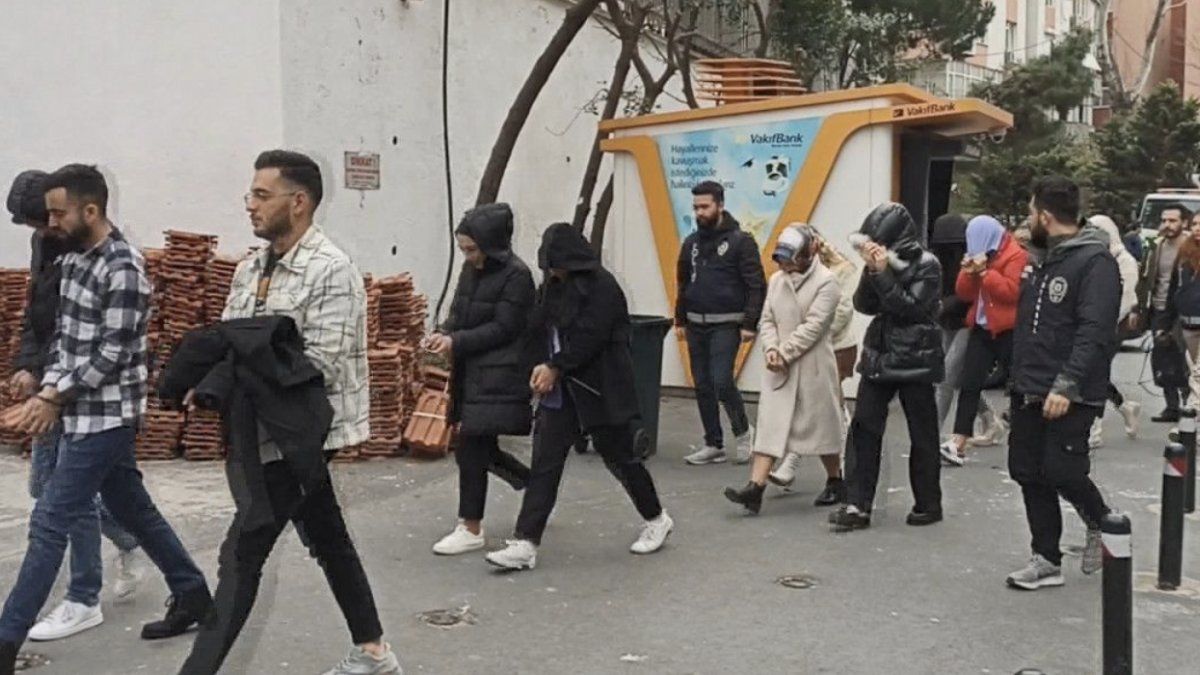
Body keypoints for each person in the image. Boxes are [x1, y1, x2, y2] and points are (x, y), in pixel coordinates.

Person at [175, 151, 399, 674]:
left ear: (298, 202)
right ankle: (373, 651)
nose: (249, 204)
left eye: (261, 194)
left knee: (241, 555)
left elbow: (320, 362)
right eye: (250, 194)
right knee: (327, 536)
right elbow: (232, 342)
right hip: (255, 430)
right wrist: (212, 380)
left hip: (301, 435)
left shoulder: (331, 270)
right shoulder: (250, 268)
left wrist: (241, 366)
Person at [0, 165, 211, 673]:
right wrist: (43, 386)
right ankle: (193, 594)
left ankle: (6, 640)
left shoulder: (124, 268)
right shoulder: (73, 260)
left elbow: (112, 353)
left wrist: (53, 398)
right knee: (133, 509)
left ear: (91, 211)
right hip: (76, 411)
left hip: (108, 416)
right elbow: (65, 341)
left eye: (58, 214)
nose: (50, 224)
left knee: (49, 520)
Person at [4, 170, 148, 643]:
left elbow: (104, 342)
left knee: (58, 502)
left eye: (46, 219)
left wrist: (52, 390)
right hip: (55, 381)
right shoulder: (49, 243)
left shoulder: (101, 252)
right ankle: (136, 547)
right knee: (65, 491)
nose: (44, 229)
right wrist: (30, 365)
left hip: (84, 394)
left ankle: (83, 596)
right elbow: (40, 314)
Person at [485, 223, 672, 570]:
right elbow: (538, 329)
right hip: (562, 393)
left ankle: (656, 518)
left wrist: (555, 366)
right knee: (545, 462)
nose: (553, 272)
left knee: (620, 458)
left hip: (599, 389)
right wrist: (533, 366)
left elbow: (591, 337)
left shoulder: (603, 288)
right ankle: (525, 543)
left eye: (557, 265)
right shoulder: (552, 287)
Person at [1006, 176, 1118, 590]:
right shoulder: (1040, 259)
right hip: (1029, 385)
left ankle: (1102, 522)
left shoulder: (1094, 262)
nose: (1027, 221)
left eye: (1030, 213)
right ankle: (1045, 558)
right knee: (1027, 471)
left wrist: (1067, 384)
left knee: (1063, 470)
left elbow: (1094, 331)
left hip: (1071, 391)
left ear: (1045, 216)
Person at [829, 203, 945, 532]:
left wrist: (882, 274)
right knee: (864, 428)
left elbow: (911, 308)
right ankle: (857, 504)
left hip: (915, 357)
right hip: (880, 354)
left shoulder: (927, 264)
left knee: (922, 433)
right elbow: (863, 304)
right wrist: (872, 273)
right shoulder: (878, 266)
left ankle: (928, 502)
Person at [428, 203, 534, 556]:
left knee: (471, 448)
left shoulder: (517, 276)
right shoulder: (470, 270)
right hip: (470, 372)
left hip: (499, 375)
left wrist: (455, 341)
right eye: (463, 249)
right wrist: (444, 333)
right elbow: (459, 312)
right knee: (481, 449)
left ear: (491, 244)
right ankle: (536, 489)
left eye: (472, 249)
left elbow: (505, 328)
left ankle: (470, 526)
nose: (468, 256)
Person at [723, 224, 845, 513]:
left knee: (821, 428)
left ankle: (835, 479)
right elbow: (767, 319)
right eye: (782, 259)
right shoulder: (777, 280)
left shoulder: (827, 282)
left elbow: (815, 325)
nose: (785, 265)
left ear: (808, 253)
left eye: (791, 259)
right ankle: (755, 487)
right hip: (779, 367)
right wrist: (771, 349)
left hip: (812, 367)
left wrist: (785, 352)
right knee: (770, 425)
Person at [676, 181, 766, 466]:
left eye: (705, 207)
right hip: (695, 323)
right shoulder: (691, 243)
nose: (699, 213)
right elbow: (682, 282)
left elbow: (756, 285)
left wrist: (750, 323)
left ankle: (743, 432)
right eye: (696, 208)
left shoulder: (741, 241)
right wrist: (680, 319)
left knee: (721, 380)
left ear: (720, 205)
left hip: (727, 323)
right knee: (702, 384)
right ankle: (713, 444)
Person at [766, 226, 858, 488]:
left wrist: (806, 336)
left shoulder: (837, 272)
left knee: (827, 408)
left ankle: (837, 464)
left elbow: (841, 313)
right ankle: (794, 465)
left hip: (836, 348)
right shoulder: (789, 275)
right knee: (806, 407)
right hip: (802, 347)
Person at [939, 216, 1026, 467]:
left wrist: (985, 273)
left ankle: (1026, 437)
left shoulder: (1015, 255)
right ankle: (958, 442)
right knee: (970, 383)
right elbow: (964, 293)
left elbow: (1011, 292)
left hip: (1008, 329)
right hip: (981, 327)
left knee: (1019, 383)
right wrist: (968, 273)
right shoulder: (978, 254)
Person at [930, 214, 1003, 457]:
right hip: (950, 320)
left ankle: (931, 435)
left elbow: (971, 292)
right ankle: (989, 418)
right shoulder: (957, 258)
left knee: (946, 377)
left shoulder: (972, 259)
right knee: (957, 375)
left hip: (968, 321)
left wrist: (941, 306)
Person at [1087, 215, 1143, 447]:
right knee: (1093, 372)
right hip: (1094, 324)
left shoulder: (1125, 261)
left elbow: (1127, 298)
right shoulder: (1095, 257)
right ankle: (1124, 407)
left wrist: (1105, 322)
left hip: (1113, 325)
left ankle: (1094, 427)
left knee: (1095, 373)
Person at [1139, 204, 1192, 422]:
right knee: (1162, 358)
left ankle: (1190, 405)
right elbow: (1146, 278)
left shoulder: (1191, 246)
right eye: (1164, 220)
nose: (1167, 225)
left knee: (1184, 359)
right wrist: (1139, 308)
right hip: (1159, 309)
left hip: (1184, 311)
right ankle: (1171, 406)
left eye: (1172, 221)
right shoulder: (1156, 245)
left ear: (1184, 223)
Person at [1164, 209, 1200, 407]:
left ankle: (1195, 413)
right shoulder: (1185, 252)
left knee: (1198, 374)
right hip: (1187, 324)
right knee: (1193, 370)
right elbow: (1173, 288)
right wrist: (1165, 322)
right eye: (1194, 224)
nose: (1197, 228)